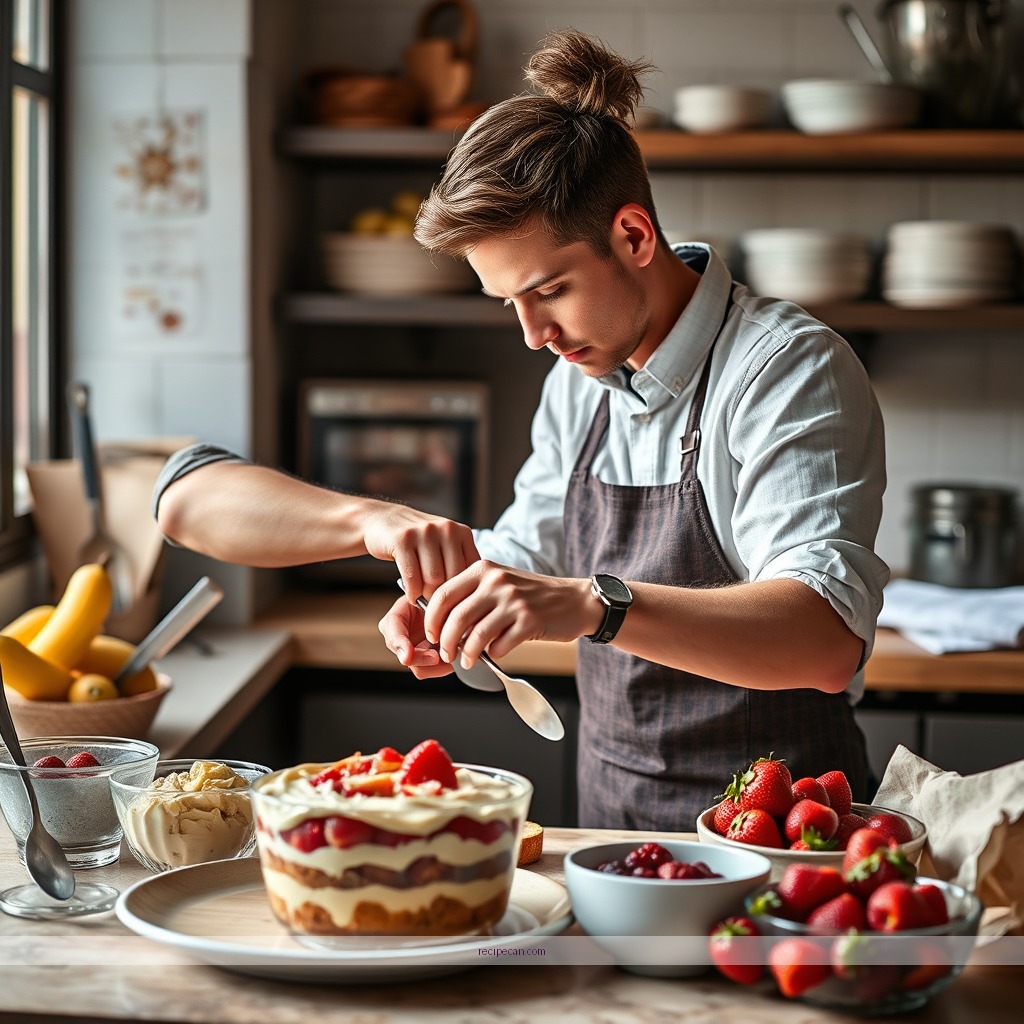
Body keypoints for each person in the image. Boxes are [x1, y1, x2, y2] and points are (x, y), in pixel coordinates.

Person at [153, 29, 889, 830]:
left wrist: (593, 606)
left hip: (789, 842)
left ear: (633, 236)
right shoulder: (580, 380)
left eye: (549, 292)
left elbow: (823, 641)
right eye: (510, 304)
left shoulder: (786, 369)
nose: (533, 334)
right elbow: (531, 557)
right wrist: (459, 603)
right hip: (615, 833)